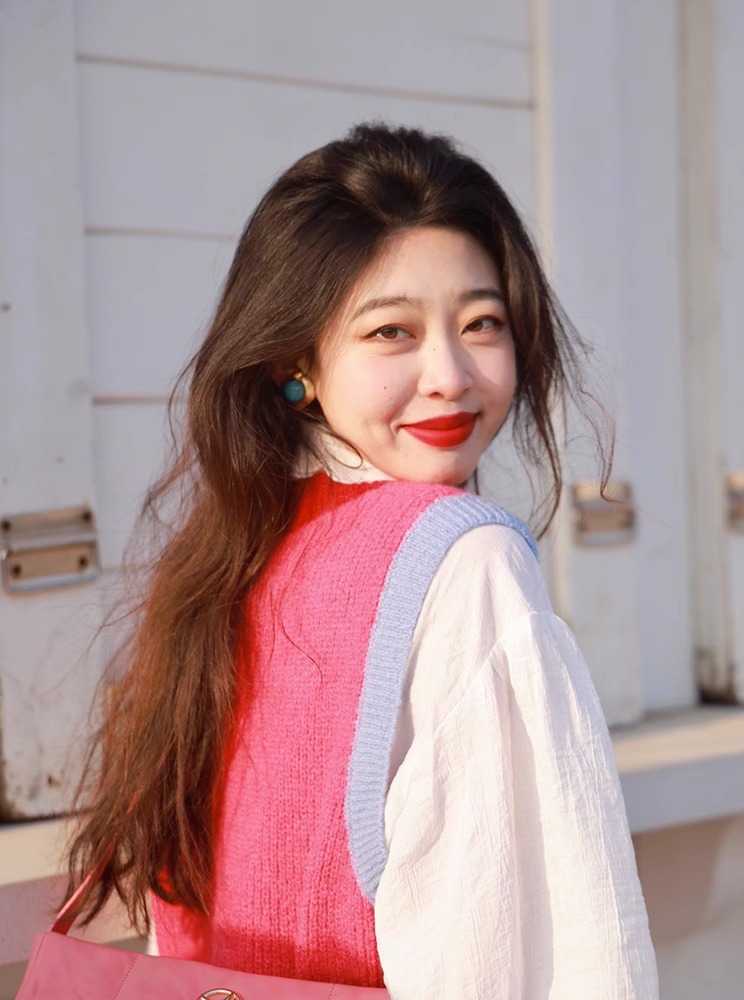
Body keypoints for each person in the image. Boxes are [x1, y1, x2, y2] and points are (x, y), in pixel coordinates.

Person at [66, 122, 659, 998]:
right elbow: (539, 959)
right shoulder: (469, 563)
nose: (450, 374)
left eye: (482, 322)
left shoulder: (237, 556)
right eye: (391, 332)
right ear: (297, 362)